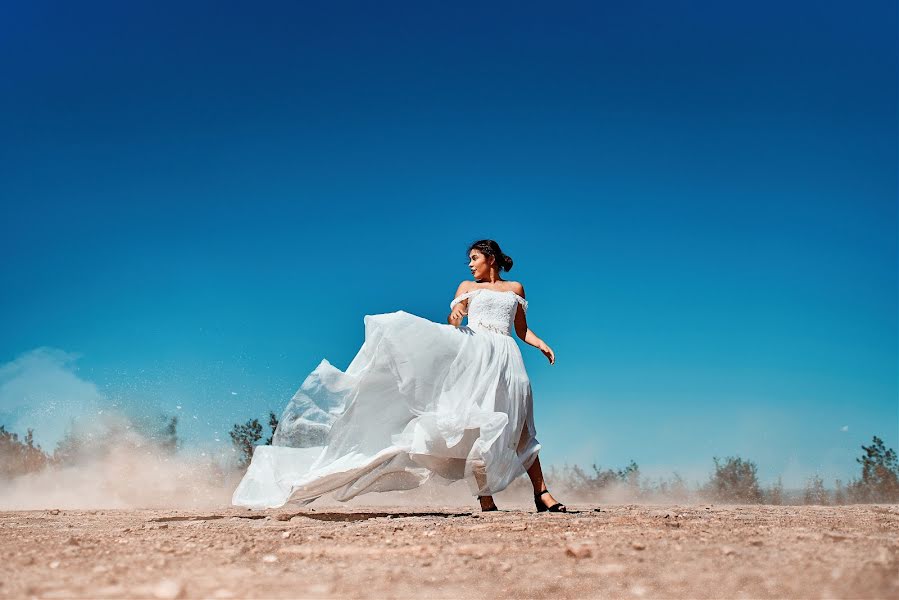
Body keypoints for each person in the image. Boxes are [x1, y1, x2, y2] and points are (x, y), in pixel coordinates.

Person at [231, 239, 566, 513]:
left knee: (521, 426)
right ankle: (486, 499)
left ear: (490, 258)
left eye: (475, 258)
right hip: (476, 356)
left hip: (508, 358)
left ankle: (541, 494)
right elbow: (455, 323)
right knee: (476, 425)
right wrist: (456, 314)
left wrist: (542, 345)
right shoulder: (467, 286)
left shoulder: (515, 287)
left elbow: (521, 330)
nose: (470, 265)